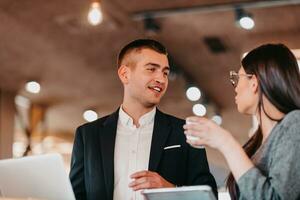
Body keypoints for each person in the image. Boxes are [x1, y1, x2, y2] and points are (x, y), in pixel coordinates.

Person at [69, 39, 217, 200]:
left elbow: (209, 196)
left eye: (165, 73)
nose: (161, 79)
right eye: (152, 69)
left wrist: (169, 189)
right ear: (125, 74)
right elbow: (74, 196)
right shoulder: (88, 135)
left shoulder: (186, 132)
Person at [184, 43, 300, 200]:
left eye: (237, 78)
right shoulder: (258, 142)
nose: (236, 87)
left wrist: (225, 142)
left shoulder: (295, 123)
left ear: (254, 82)